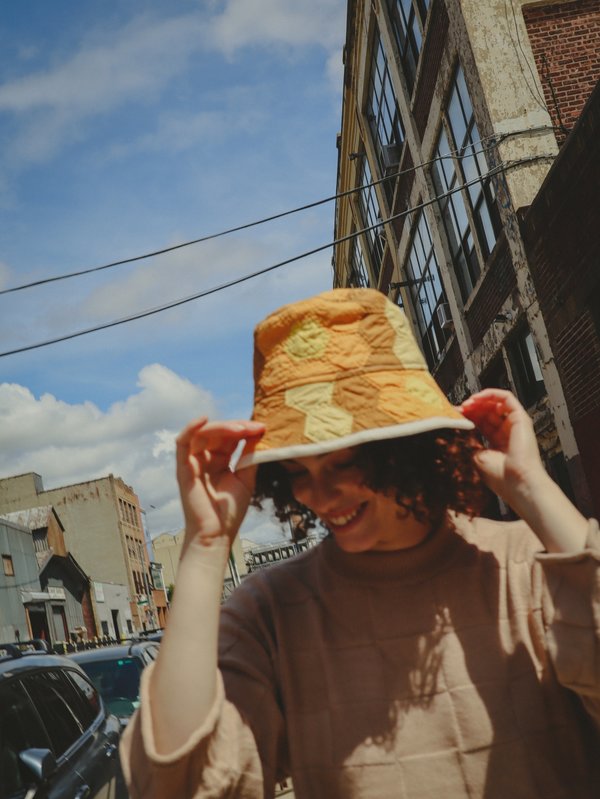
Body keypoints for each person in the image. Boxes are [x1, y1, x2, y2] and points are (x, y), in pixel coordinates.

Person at [120, 288, 600, 798]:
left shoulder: (530, 563)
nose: (318, 495)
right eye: (296, 471)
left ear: (407, 448)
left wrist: (532, 489)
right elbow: (179, 781)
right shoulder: (273, 611)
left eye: (345, 462)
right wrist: (205, 546)